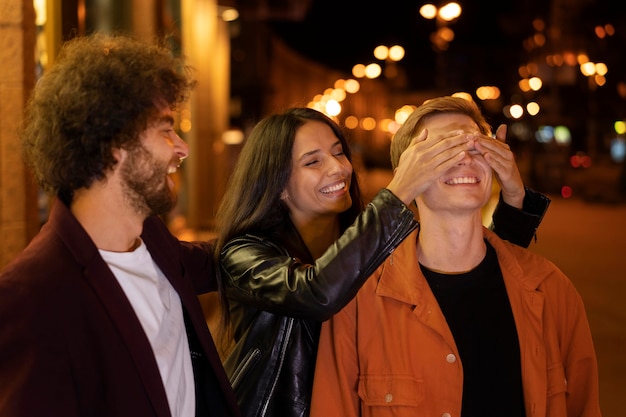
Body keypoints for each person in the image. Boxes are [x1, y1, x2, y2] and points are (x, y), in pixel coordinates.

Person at [213, 106, 551, 417]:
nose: (339, 168)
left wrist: (513, 194)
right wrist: (401, 189)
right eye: (313, 162)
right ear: (277, 185)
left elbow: (483, 269)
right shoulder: (243, 253)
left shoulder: (370, 239)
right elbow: (316, 293)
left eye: (338, 152)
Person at [309, 96, 601, 417]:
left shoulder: (551, 290)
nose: (464, 158)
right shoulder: (359, 302)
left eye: (476, 147)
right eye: (441, 149)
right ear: (407, 174)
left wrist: (516, 195)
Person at [0, 33, 240, 417]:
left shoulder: (153, 238)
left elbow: (221, 261)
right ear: (112, 143)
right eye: (165, 129)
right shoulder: (32, 297)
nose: (182, 147)